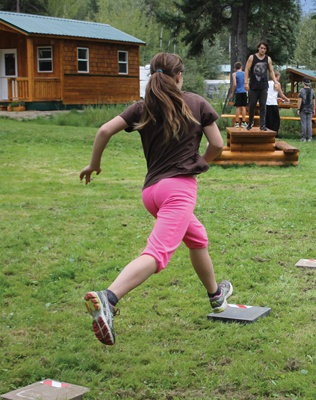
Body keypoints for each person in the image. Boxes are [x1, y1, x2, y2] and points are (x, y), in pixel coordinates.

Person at [79, 53, 232, 346]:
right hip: (178, 191)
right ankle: (108, 299)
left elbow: (104, 131)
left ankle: (216, 295)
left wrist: (94, 164)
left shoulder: (142, 108)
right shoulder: (197, 103)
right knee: (157, 254)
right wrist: (199, 162)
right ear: (179, 77)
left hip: (151, 193)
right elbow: (217, 143)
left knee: (198, 238)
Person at [244, 41, 278, 131]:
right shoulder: (252, 57)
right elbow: (247, 69)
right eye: (261, 48)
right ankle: (250, 122)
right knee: (252, 105)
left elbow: (271, 71)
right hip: (253, 86)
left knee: (263, 106)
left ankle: (262, 125)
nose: (263, 50)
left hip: (263, 86)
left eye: (264, 48)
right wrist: (246, 82)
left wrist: (275, 82)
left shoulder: (268, 59)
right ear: (258, 48)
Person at [265, 71, 290, 139]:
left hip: (267, 103)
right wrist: (287, 99)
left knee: (268, 119)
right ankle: (275, 134)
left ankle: (268, 133)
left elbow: (269, 94)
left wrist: (276, 98)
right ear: (276, 76)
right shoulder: (277, 84)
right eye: (279, 77)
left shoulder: (268, 83)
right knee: (276, 120)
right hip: (273, 104)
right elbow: (281, 94)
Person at [297, 77, 316, 142]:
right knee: (309, 123)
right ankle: (310, 138)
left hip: (303, 108)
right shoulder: (312, 90)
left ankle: (304, 138)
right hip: (310, 108)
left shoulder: (301, 90)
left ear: (303, 82)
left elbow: (300, 100)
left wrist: (298, 109)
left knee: (304, 123)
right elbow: (314, 100)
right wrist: (314, 109)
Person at [229, 61, 247, 128]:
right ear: (241, 67)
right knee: (243, 107)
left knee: (238, 107)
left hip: (237, 92)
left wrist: (232, 93)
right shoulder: (245, 73)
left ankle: (236, 122)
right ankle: (243, 122)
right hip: (244, 91)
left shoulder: (234, 74)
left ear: (235, 68)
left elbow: (234, 84)